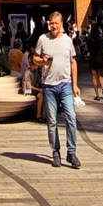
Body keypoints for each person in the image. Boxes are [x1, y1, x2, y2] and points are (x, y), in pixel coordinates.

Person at [34, 11, 81, 168]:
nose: (53, 26)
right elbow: (35, 58)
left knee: (71, 117)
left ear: (61, 24)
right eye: (51, 23)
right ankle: (55, 152)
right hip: (49, 86)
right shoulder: (43, 39)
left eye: (56, 23)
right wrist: (42, 61)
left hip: (65, 84)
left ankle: (71, 153)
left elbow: (73, 62)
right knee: (52, 121)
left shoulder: (67, 40)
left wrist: (75, 85)